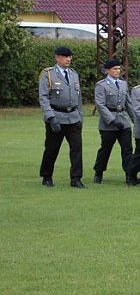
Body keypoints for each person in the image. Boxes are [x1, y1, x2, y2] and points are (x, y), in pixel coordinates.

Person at [38, 45, 85, 188]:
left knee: (76, 148)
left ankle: (76, 178)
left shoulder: (73, 74)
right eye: (65, 57)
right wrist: (50, 117)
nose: (68, 59)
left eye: (70, 57)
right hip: (57, 116)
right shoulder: (48, 74)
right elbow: (43, 97)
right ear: (57, 58)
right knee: (52, 148)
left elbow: (78, 97)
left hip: (73, 117)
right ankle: (46, 176)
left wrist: (80, 116)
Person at [92, 58, 133, 184]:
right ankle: (99, 173)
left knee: (127, 149)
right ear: (108, 70)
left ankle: (129, 174)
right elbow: (100, 105)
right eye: (115, 69)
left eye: (119, 69)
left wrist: (134, 120)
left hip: (123, 119)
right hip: (108, 123)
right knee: (105, 149)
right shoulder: (101, 85)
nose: (117, 71)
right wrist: (112, 120)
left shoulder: (122, 83)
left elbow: (128, 103)